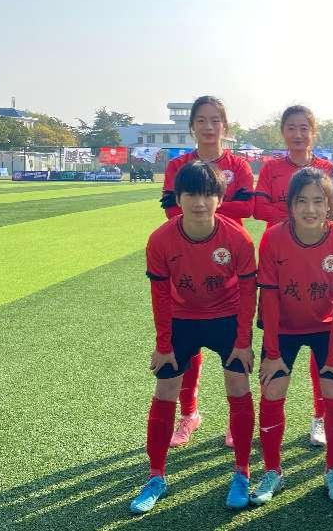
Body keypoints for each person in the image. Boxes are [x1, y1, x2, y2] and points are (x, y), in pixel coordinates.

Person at [130, 161, 256, 514]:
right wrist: (163, 346)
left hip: (226, 318)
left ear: (220, 198)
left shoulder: (238, 238)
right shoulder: (160, 239)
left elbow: (249, 294)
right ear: (178, 198)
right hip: (182, 320)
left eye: (207, 194)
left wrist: (243, 342)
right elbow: (160, 296)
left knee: (238, 386)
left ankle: (242, 472)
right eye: (190, 194)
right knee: (164, 389)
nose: (199, 203)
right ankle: (156, 476)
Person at [251, 168, 333, 505]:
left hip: (326, 326)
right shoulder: (274, 238)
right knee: (273, 387)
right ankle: (272, 471)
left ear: (330, 205)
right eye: (302, 201)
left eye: (318, 201)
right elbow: (268, 299)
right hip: (284, 327)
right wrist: (272, 353)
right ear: (290, 205)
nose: (310, 209)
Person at [160, 96, 255, 449]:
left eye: (216, 120)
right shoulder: (178, 165)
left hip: (228, 263)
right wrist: (213, 207)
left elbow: (249, 206)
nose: (209, 126)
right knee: (189, 348)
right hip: (186, 262)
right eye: (201, 120)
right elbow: (170, 210)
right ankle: (189, 415)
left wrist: (205, 208)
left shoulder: (238, 165)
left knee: (234, 351)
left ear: (225, 126)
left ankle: (235, 421)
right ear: (192, 126)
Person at [253, 105, 333, 447]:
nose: (298, 134)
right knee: (276, 347)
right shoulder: (271, 168)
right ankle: (269, 423)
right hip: (280, 262)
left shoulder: (327, 169)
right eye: (291, 127)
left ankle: (320, 418)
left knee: (322, 357)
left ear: (313, 132)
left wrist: (303, 217)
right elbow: (258, 208)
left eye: (304, 128)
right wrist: (297, 218)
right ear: (283, 132)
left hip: (319, 264)